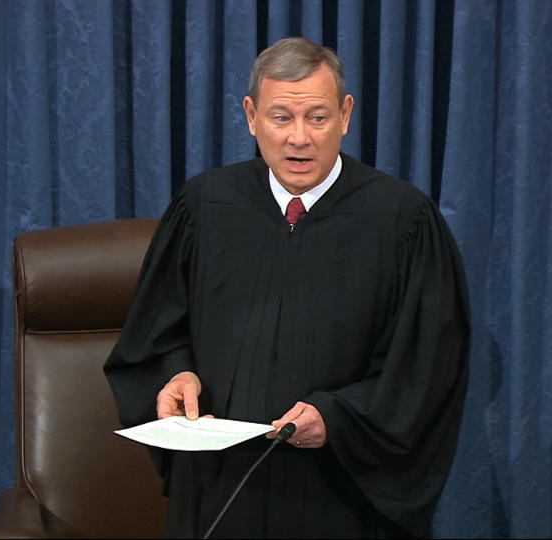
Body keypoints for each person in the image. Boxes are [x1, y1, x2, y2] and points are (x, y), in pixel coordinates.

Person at [104, 36, 470, 539]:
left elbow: (427, 365)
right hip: (218, 485)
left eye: (317, 118)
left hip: (338, 490)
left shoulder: (402, 220)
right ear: (251, 116)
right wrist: (176, 373)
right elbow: (158, 330)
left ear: (345, 114)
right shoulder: (204, 208)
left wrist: (340, 416)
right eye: (281, 118)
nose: (299, 138)